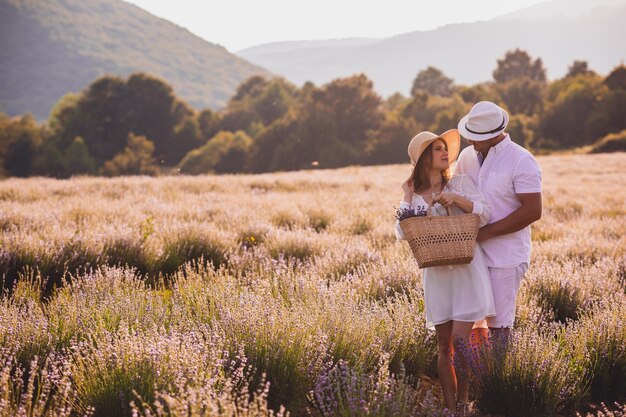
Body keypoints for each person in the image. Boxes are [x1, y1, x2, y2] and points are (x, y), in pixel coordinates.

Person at [395, 129, 495, 416]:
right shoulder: (414, 196)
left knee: (462, 343)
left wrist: (458, 201)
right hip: (437, 276)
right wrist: (408, 195)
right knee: (443, 345)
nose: (444, 152)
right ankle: (450, 408)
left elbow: (485, 213)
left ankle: (464, 402)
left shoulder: (461, 183)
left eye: (444, 148)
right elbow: (401, 232)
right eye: (437, 149)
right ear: (425, 158)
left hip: (466, 272)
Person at [455, 101, 542, 345]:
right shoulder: (467, 157)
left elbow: (533, 210)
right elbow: (455, 193)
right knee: (470, 320)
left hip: (506, 257)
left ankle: (497, 381)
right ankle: (475, 378)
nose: (470, 141)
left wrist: (488, 232)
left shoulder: (521, 160)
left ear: (494, 135)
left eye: (475, 137)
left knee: (500, 326)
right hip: (471, 256)